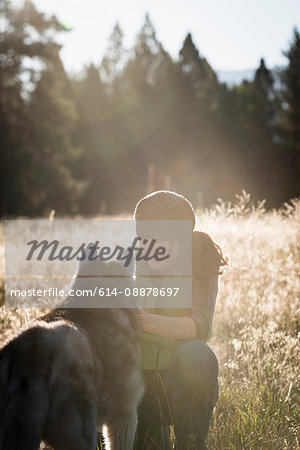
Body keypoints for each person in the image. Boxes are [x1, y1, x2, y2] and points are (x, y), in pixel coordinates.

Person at [134, 190, 226, 450]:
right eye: (145, 239)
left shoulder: (200, 261)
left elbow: (199, 324)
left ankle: (191, 444)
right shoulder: (129, 263)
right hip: (134, 389)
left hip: (177, 384)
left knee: (196, 353)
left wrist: (143, 320)